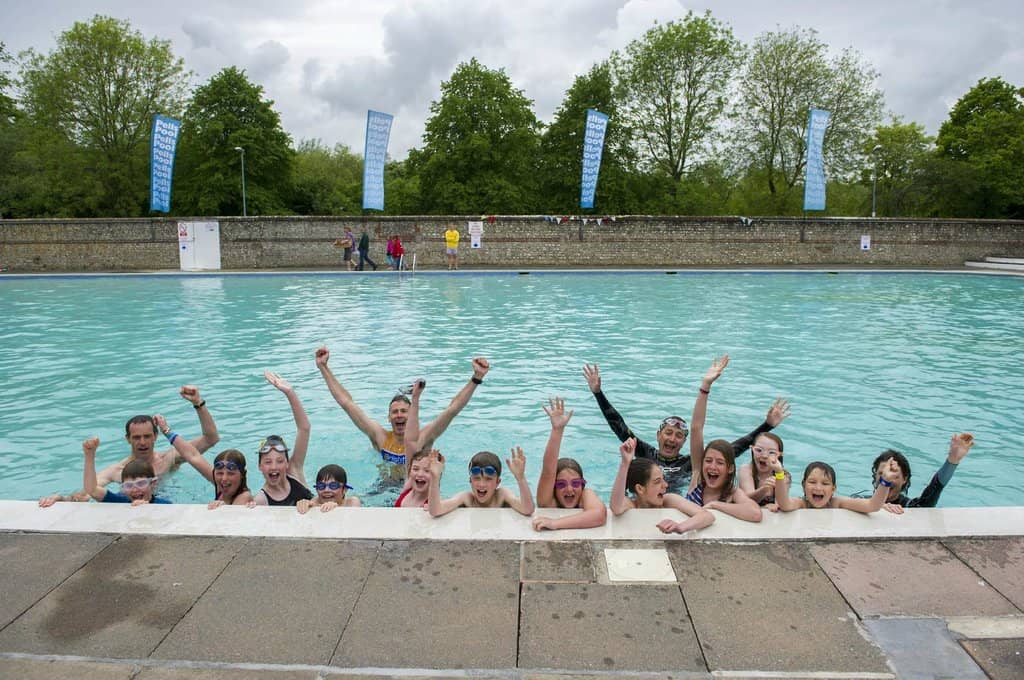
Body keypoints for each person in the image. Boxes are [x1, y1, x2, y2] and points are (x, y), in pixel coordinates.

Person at [582, 362, 788, 494]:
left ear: (683, 442)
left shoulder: (691, 463)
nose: (672, 439)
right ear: (658, 435)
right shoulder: (644, 453)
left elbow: (734, 448)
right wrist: (598, 393)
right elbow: (619, 427)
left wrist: (767, 426)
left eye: (679, 436)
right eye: (668, 433)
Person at [316, 346, 489, 485]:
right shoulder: (380, 436)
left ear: (411, 414)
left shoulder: (424, 437)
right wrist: (323, 368)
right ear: (389, 418)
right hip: (385, 486)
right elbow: (347, 403)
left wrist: (476, 378)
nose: (399, 415)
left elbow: (452, 409)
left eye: (404, 411)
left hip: (418, 487)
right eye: (395, 412)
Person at [38, 385, 220, 507]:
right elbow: (88, 492)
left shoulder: (171, 458)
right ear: (128, 439)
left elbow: (211, 438)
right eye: (137, 437)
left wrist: (198, 403)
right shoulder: (117, 470)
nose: (142, 442)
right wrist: (62, 499)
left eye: (147, 436)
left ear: (156, 436)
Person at [685, 355, 763, 523]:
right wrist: (705, 386)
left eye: (720, 463)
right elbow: (696, 428)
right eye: (709, 460)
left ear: (729, 468)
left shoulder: (732, 493)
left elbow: (755, 514)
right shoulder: (698, 477)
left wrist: (716, 506)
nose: (712, 467)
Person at [532, 397, 608, 531]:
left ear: (583, 485)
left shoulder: (585, 495)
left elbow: (599, 515)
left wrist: (555, 523)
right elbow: (548, 471)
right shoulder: (548, 500)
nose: (569, 489)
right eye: (561, 484)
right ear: (553, 487)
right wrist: (557, 430)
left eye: (576, 483)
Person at [610, 438, 714, 535]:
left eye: (663, 479)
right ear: (640, 489)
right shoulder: (631, 504)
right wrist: (625, 463)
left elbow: (707, 516)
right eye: (657, 481)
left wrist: (680, 527)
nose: (666, 485)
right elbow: (615, 507)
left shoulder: (668, 500)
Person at [858, 433, 975, 513]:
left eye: (893, 472)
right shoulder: (862, 499)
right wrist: (878, 505)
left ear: (904, 478)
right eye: (881, 473)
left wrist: (952, 460)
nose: (886, 478)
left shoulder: (910, 506)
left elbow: (934, 490)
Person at [153, 414, 252, 508]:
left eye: (230, 473)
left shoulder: (244, 497)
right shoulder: (221, 486)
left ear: (242, 475)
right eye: (220, 473)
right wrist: (166, 430)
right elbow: (192, 455)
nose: (224, 478)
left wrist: (222, 509)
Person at [251, 371, 312, 506]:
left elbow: (304, 428)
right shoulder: (260, 500)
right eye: (268, 462)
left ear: (287, 463)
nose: (274, 467)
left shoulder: (294, 470)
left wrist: (289, 392)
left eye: (279, 461)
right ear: (260, 466)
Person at [427, 448, 535, 517]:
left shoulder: (502, 495)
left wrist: (520, 478)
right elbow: (435, 511)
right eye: (477, 478)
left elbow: (528, 509)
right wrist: (435, 477)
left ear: (498, 482)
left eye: (488, 479)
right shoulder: (467, 498)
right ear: (470, 481)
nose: (481, 484)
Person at [775, 460, 899, 513]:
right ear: (803, 485)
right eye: (812, 482)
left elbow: (871, 506)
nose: (818, 488)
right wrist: (779, 474)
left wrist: (885, 481)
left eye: (825, 483)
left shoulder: (837, 503)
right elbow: (784, 504)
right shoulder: (801, 503)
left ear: (834, 489)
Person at [80, 436, 171, 505]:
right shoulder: (120, 501)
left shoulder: (165, 505)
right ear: (123, 488)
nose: (135, 489)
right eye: (128, 485)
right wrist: (89, 455)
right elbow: (92, 490)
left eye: (141, 483)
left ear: (153, 483)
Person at [738, 432, 789, 511]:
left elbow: (782, 504)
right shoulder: (745, 470)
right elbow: (746, 501)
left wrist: (776, 506)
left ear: (779, 455)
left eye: (771, 452)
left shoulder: (783, 475)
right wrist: (764, 489)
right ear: (752, 449)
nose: (764, 455)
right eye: (759, 450)